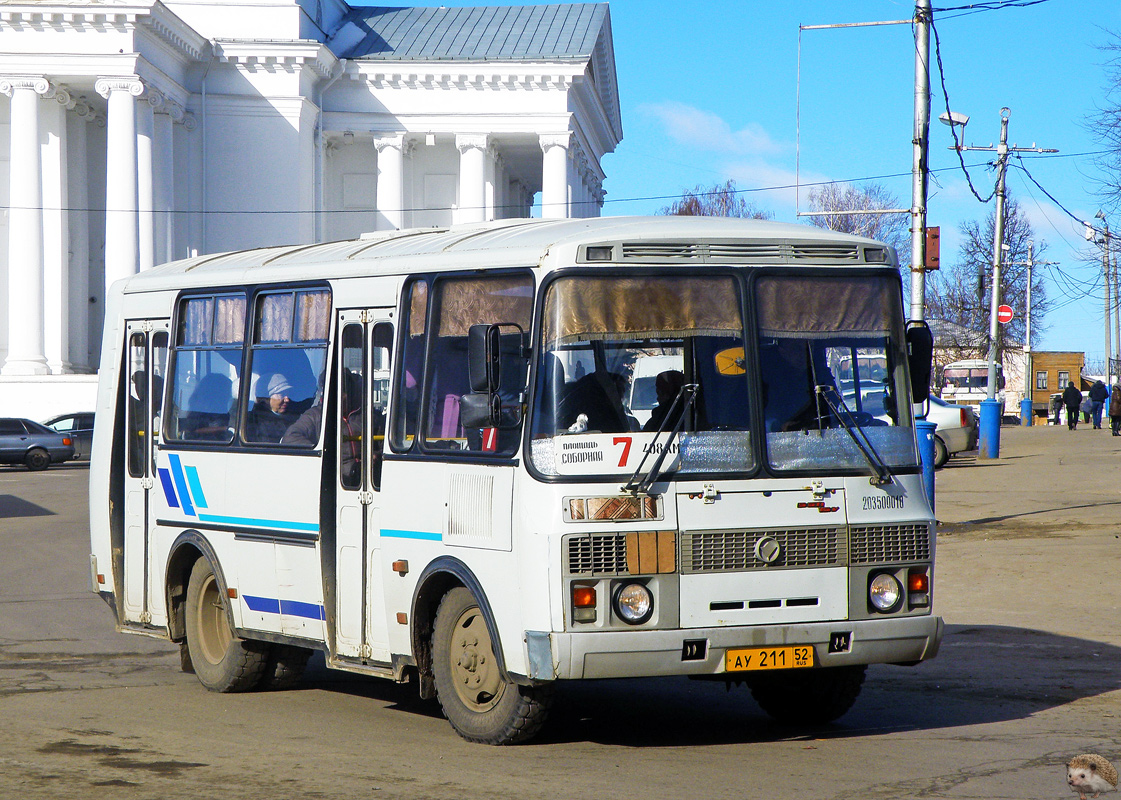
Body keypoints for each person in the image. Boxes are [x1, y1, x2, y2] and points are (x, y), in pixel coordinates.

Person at [246, 373, 298, 443]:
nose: (287, 399)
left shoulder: (295, 418)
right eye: (281, 394)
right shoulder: (252, 422)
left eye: (287, 393)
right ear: (266, 398)